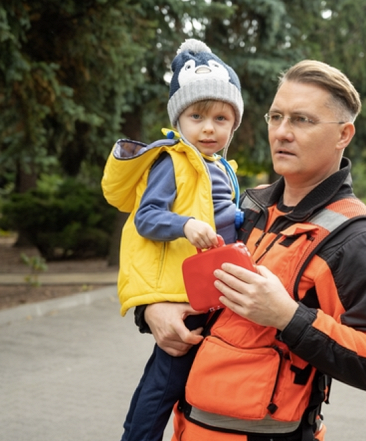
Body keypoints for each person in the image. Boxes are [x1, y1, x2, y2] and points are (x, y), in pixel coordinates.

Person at [141, 60, 366, 440]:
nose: (282, 132)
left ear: (343, 134)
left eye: (302, 120)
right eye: (276, 116)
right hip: (189, 427)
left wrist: (287, 316)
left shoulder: (354, 237)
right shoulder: (246, 207)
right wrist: (151, 311)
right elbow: (176, 271)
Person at [101, 38, 244, 441]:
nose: (209, 127)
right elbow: (146, 217)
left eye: (221, 118)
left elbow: (224, 215)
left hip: (207, 286)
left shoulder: (221, 167)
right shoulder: (173, 160)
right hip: (182, 294)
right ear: (179, 120)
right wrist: (185, 225)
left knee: (173, 376)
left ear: (234, 124)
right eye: (197, 116)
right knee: (166, 381)